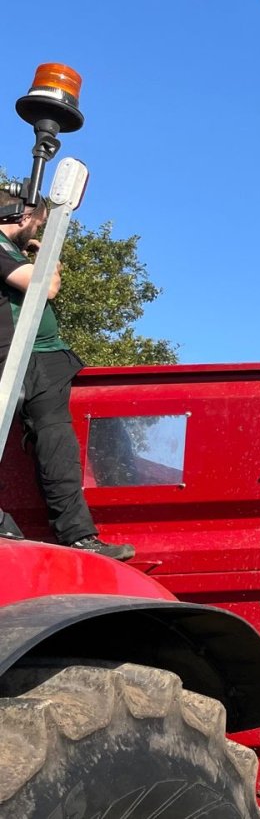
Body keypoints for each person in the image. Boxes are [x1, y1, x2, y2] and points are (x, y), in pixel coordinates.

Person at [0, 196, 133, 560]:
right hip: (14, 357)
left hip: (42, 359)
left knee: (56, 444)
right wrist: (47, 256)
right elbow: (44, 286)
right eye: (38, 224)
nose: (37, 230)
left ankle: (77, 536)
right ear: (22, 216)